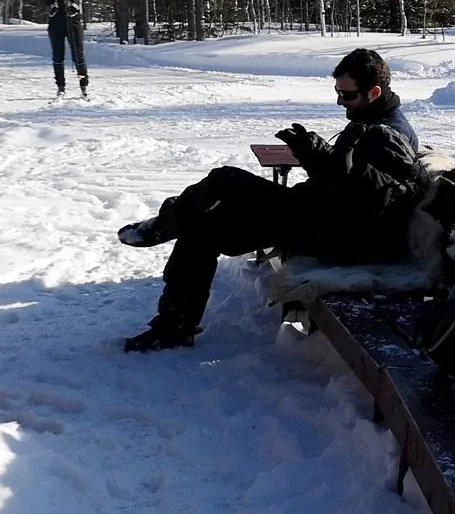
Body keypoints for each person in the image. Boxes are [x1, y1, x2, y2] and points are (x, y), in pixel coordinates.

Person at [118, 49, 422, 352]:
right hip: (319, 217)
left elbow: (377, 202)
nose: (340, 101)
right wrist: (314, 154)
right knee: (201, 227)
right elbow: (344, 180)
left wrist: (326, 159)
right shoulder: (369, 118)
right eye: (337, 92)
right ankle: (173, 327)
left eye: (347, 95)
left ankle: (166, 221)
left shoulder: (389, 134)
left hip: (337, 235)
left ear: (375, 91)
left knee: (226, 179)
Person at [42, 0, 89, 97]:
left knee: (78, 55)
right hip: (56, 22)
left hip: (73, 21)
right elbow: (46, 1)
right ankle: (60, 85)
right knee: (58, 56)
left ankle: (83, 84)